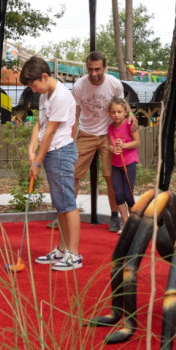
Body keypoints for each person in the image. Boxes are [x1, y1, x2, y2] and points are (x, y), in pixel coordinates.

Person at [23, 55, 82, 271]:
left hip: (61, 153)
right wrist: (31, 150)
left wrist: (37, 163)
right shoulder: (45, 95)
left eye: (33, 84)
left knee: (67, 204)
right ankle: (62, 249)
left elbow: (49, 133)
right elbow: (39, 125)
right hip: (51, 153)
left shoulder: (61, 97)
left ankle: (74, 255)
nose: (33, 89)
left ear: (44, 76)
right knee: (60, 204)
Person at [71, 52, 135, 232]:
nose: (93, 73)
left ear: (105, 68)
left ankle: (115, 217)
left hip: (109, 134)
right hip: (85, 133)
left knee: (110, 177)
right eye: (90, 69)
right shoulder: (79, 85)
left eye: (97, 69)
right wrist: (70, 138)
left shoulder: (114, 84)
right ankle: (65, 215)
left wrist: (131, 114)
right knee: (73, 174)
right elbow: (75, 114)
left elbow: (122, 106)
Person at [106, 97, 139, 232]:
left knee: (128, 195)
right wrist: (113, 149)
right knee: (118, 195)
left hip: (129, 162)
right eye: (113, 112)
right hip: (116, 164)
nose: (116, 115)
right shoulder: (110, 127)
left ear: (126, 112)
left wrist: (124, 145)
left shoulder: (130, 124)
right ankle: (126, 224)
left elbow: (137, 142)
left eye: (119, 112)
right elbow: (109, 145)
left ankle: (134, 224)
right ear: (109, 113)